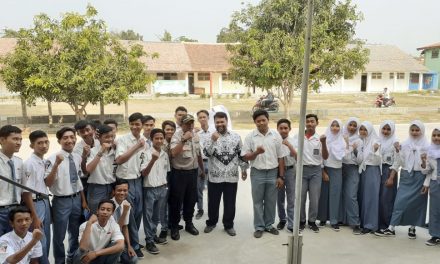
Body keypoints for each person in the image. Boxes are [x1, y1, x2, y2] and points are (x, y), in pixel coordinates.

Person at [376, 120, 429, 238]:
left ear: (422, 131)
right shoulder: (404, 144)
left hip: (420, 177)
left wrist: (424, 164)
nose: (414, 132)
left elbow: (428, 169)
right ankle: (391, 228)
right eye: (412, 130)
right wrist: (391, 177)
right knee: (399, 202)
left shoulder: (427, 146)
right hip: (406, 176)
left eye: (417, 130)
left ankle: (412, 227)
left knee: (417, 203)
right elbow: (398, 162)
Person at [45, 127, 88, 264]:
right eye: (65, 138)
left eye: (72, 137)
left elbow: (78, 180)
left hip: (76, 199)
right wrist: (56, 165)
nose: (69, 140)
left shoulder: (76, 157)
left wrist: (83, 200)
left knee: (74, 232)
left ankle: (72, 258)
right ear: (59, 141)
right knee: (59, 235)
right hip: (61, 201)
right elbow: (48, 182)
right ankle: (59, 261)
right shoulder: (52, 159)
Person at [203, 112, 248, 236]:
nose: (220, 124)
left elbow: (241, 154)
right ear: (214, 123)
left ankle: (228, 225)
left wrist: (244, 169)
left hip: (231, 176)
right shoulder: (209, 137)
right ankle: (211, 223)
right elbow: (206, 154)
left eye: (222, 121)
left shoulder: (236, 137)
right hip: (215, 177)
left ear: (227, 121)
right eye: (217, 122)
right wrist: (213, 141)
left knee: (230, 203)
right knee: (213, 202)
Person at [242, 110, 285, 238]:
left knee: (271, 201)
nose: (261, 123)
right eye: (258, 121)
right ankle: (259, 226)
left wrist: (281, 176)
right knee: (257, 201)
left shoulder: (276, 135)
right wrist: (256, 153)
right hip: (257, 173)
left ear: (268, 120)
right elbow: (245, 157)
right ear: (255, 122)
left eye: (263, 120)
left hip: (273, 173)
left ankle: (269, 225)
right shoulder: (250, 137)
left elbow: (281, 157)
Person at [114, 112, 146, 258]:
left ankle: (134, 241)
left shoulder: (144, 140)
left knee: (138, 212)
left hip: (138, 180)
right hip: (125, 181)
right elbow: (120, 159)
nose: (134, 127)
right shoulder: (124, 140)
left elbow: (143, 161)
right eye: (132, 124)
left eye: (137, 124)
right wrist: (136, 146)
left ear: (142, 125)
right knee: (129, 214)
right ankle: (133, 245)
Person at [169, 114, 205, 240]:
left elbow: (198, 153)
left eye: (191, 123)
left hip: (193, 172)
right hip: (179, 173)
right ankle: (174, 226)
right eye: (187, 123)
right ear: (181, 124)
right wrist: (183, 139)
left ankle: (189, 223)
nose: (190, 125)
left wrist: (202, 169)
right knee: (177, 201)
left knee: (191, 199)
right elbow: (173, 153)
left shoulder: (195, 135)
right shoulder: (177, 135)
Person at [293, 114, 328, 233]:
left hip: (316, 171)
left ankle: (312, 221)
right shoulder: (298, 137)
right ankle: (302, 221)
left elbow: (325, 156)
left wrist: (323, 143)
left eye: (312, 121)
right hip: (302, 170)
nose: (309, 124)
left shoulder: (320, 138)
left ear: (317, 123)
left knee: (314, 199)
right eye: (307, 121)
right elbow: (294, 154)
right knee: (301, 198)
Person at [22, 130, 51, 264]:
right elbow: (26, 192)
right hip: (35, 203)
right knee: (40, 240)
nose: (44, 145)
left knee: (47, 238)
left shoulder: (43, 161)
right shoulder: (30, 163)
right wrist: (34, 216)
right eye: (39, 143)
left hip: (44, 201)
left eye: (46, 142)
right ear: (32, 145)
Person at [141, 129, 170, 254]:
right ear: (151, 139)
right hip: (149, 189)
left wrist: (165, 186)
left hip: (162, 188)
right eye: (156, 138)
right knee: (148, 217)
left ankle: (153, 236)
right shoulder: (146, 153)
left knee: (156, 216)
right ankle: (149, 241)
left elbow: (166, 171)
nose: (159, 140)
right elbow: (144, 173)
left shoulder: (165, 154)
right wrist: (152, 160)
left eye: (161, 138)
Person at [317, 119, 347, 231]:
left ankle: (334, 220)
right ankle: (322, 218)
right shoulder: (324, 139)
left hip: (337, 170)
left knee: (335, 195)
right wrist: (323, 171)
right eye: (333, 126)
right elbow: (320, 157)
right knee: (323, 194)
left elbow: (344, 156)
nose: (335, 128)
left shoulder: (342, 141)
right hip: (325, 169)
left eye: (337, 126)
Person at [73, 200, 124, 264]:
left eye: (108, 210)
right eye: (102, 209)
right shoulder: (85, 225)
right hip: (85, 257)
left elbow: (121, 245)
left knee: (117, 246)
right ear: (97, 211)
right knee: (80, 251)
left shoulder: (114, 225)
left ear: (112, 213)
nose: (105, 212)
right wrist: (89, 223)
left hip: (100, 256)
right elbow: (83, 247)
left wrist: (96, 253)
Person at [85, 125, 116, 213]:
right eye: (106, 137)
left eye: (111, 136)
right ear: (99, 138)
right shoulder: (93, 151)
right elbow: (88, 169)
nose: (110, 139)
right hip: (96, 189)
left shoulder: (115, 151)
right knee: (95, 214)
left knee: (110, 215)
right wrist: (101, 152)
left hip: (111, 187)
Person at [357, 121, 382, 234]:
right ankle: (363, 222)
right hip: (363, 171)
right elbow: (360, 159)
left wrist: (375, 151)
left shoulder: (375, 142)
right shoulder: (362, 141)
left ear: (370, 130)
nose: (362, 131)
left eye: (365, 129)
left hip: (372, 171)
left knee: (371, 198)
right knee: (363, 197)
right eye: (361, 129)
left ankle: (370, 225)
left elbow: (377, 160)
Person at [340, 117, 363, 234]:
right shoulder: (340, 137)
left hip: (353, 168)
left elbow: (360, 161)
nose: (352, 128)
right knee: (342, 195)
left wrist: (354, 150)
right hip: (340, 167)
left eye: (355, 126)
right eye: (350, 125)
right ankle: (344, 219)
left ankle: (355, 223)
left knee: (351, 195)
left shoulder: (359, 140)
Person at [0, 125, 23, 237]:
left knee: (14, 246)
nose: (18, 142)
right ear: (2, 140)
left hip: (16, 212)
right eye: (15, 139)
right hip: (1, 211)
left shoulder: (19, 162)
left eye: (20, 139)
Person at [276, 119, 297, 232]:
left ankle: (291, 223)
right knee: (279, 198)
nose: (283, 130)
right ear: (277, 129)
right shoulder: (275, 141)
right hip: (278, 171)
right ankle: (282, 219)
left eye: (286, 128)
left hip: (290, 171)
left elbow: (297, 156)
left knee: (291, 197)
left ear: (290, 129)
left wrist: (289, 146)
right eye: (281, 128)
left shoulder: (293, 141)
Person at [378, 121, 399, 232]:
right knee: (380, 198)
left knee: (387, 199)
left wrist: (391, 177)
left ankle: (388, 225)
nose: (385, 131)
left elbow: (397, 160)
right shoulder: (378, 140)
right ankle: (379, 224)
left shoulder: (395, 142)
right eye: (384, 128)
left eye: (388, 129)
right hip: (379, 170)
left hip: (390, 171)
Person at [111, 179, 137, 264]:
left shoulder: (125, 204)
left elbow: (125, 227)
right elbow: (116, 229)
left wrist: (129, 246)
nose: (122, 193)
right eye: (119, 190)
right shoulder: (109, 205)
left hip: (119, 240)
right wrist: (125, 212)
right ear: (114, 191)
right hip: (108, 240)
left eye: (125, 190)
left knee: (133, 260)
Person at [421, 127, 440, 246]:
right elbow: (427, 171)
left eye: (439, 135)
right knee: (435, 211)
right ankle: (436, 235)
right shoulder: (430, 151)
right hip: (435, 184)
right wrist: (423, 161)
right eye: (434, 135)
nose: (436, 138)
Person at [195, 110, 215, 219]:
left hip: (212, 162)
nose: (202, 119)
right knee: (199, 188)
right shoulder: (197, 134)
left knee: (212, 188)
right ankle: (200, 209)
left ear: (208, 118)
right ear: (198, 119)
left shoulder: (214, 131)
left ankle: (211, 210)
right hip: (200, 162)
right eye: (200, 117)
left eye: (204, 117)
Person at [73, 120, 100, 198]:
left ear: (93, 130)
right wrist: (84, 156)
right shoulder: (77, 149)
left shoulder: (99, 142)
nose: (86, 133)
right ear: (78, 134)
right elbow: (81, 170)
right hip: (87, 181)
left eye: (88, 130)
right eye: (82, 132)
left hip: (101, 178)